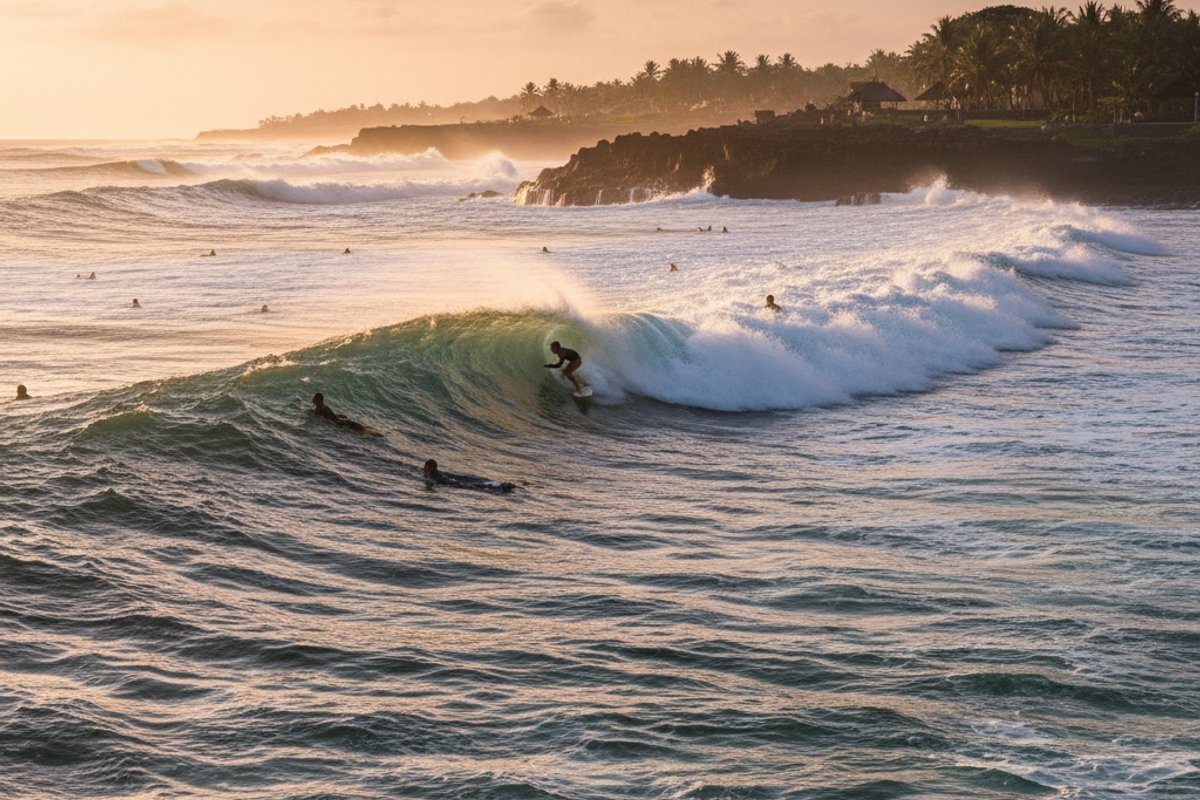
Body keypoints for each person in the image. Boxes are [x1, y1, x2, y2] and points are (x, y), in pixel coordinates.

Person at [423, 459, 514, 493]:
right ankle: (498, 485)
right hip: (455, 480)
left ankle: (500, 487)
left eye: (426, 466)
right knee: (474, 485)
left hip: (453, 483)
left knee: (474, 487)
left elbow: (445, 480)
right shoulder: (437, 473)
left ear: (430, 467)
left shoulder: (434, 476)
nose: (424, 468)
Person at [311, 392, 380, 435]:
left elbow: (319, 417)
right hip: (343, 421)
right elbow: (332, 416)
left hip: (341, 423)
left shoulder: (319, 409)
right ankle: (376, 432)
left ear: (318, 400)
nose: (312, 399)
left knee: (363, 431)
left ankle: (377, 434)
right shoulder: (325, 407)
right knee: (363, 429)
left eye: (314, 398)